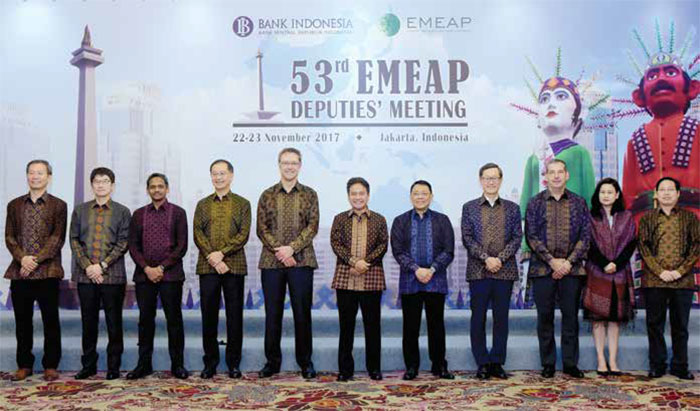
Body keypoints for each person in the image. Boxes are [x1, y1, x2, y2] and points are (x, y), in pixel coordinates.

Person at [257, 148, 319, 379]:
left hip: (301, 262)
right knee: (272, 314)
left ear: (300, 165)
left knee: (302, 314)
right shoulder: (267, 195)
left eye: (294, 163)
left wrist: (292, 248)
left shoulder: (310, 194)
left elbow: (312, 227)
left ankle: (306, 362)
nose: (289, 167)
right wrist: (281, 251)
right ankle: (272, 362)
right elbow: (261, 229)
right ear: (279, 165)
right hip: (271, 263)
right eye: (285, 162)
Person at [525, 159, 590, 378]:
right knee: (545, 318)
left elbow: (585, 236)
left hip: (572, 270)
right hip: (543, 270)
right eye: (551, 172)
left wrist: (568, 262)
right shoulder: (535, 203)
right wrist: (552, 261)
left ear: (567, 175)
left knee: (570, 317)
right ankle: (548, 364)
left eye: (560, 172)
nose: (556, 176)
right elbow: (531, 237)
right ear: (546, 176)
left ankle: (570, 364)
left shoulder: (579, 203)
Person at [520, 75, 596, 259]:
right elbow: (524, 206)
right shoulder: (534, 158)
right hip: (538, 241)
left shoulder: (579, 153)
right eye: (544, 99)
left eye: (561, 96)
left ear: (577, 112)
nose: (551, 104)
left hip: (572, 240)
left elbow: (590, 203)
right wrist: (525, 245)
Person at [4, 160, 67, 381]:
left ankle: (50, 365)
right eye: (31, 173)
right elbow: (9, 237)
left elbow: (57, 238)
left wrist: (35, 260)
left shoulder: (59, 205)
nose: (35, 176)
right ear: (27, 176)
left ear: (49, 176)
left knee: (51, 320)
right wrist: (23, 259)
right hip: (20, 272)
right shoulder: (14, 205)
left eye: (40, 173)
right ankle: (24, 365)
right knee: (22, 321)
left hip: (48, 272)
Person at [461, 163, 522, 380]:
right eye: (487, 178)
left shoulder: (513, 208)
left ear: (501, 180)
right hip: (478, 271)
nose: (491, 182)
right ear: (480, 180)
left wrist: (500, 259)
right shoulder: (469, 208)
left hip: (504, 272)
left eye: (495, 178)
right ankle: (482, 363)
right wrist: (487, 259)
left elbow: (517, 238)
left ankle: (497, 362)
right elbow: (467, 238)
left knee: (500, 319)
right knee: (477, 318)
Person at [70, 167, 131, 380]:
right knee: (88, 323)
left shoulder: (123, 211)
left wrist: (102, 265)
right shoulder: (80, 210)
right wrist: (88, 266)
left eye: (105, 181)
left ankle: (113, 367)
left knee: (114, 323)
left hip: (112, 276)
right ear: (92, 184)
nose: (101, 185)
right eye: (97, 181)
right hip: (85, 276)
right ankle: (88, 366)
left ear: (112, 185)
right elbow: (74, 240)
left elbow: (123, 242)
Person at [127, 173, 189, 380]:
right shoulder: (138, 214)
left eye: (160, 186)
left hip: (171, 276)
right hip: (144, 277)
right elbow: (133, 246)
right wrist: (147, 268)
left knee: (174, 321)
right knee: (145, 321)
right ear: (147, 190)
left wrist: (161, 268)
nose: (156, 190)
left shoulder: (178, 213)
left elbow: (181, 246)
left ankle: (177, 366)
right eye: (152, 187)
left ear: (167, 189)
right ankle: (143, 365)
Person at [391, 180, 455, 381]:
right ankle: (411, 367)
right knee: (410, 327)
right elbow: (398, 251)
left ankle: (439, 366)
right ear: (411, 197)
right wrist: (416, 269)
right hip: (411, 280)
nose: (420, 196)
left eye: (424, 193)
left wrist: (433, 269)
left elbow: (449, 250)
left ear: (431, 196)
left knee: (436, 326)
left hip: (436, 280)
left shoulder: (442, 220)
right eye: (416, 193)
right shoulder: (400, 221)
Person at [193, 160, 251, 379]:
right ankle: (210, 363)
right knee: (208, 316)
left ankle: (233, 364)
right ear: (211, 176)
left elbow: (243, 235)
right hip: (207, 267)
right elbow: (198, 234)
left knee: (234, 317)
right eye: (215, 174)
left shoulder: (242, 204)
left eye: (222, 173)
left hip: (234, 267)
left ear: (231, 176)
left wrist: (222, 253)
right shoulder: (202, 204)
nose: (218, 177)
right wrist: (214, 258)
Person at [639, 177, 699, 380]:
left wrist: (680, 271)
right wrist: (660, 271)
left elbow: (696, 246)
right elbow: (643, 247)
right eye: (662, 189)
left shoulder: (689, 218)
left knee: (680, 326)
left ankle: (680, 366)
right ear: (655, 193)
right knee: (654, 324)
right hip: (654, 280)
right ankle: (657, 365)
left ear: (678, 193)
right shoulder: (648, 218)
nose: (666, 193)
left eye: (670, 190)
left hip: (683, 281)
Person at [330, 177, 388, 381]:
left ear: (368, 195)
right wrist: (354, 262)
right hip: (345, 279)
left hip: (371, 277)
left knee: (372, 326)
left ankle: (374, 368)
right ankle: (345, 370)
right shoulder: (339, 219)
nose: (357, 197)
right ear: (348, 196)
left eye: (361, 193)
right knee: (346, 326)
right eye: (353, 193)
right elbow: (335, 244)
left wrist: (364, 264)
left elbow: (382, 246)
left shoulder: (380, 219)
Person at [582, 178, 636, 376]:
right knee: (598, 319)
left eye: (609, 192)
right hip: (596, 271)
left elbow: (631, 243)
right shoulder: (590, 217)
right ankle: (600, 360)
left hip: (620, 273)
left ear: (617, 195)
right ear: (598, 195)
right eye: (602, 192)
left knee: (614, 320)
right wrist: (604, 263)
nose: (605, 195)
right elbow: (587, 243)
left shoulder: (626, 217)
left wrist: (617, 263)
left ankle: (613, 360)